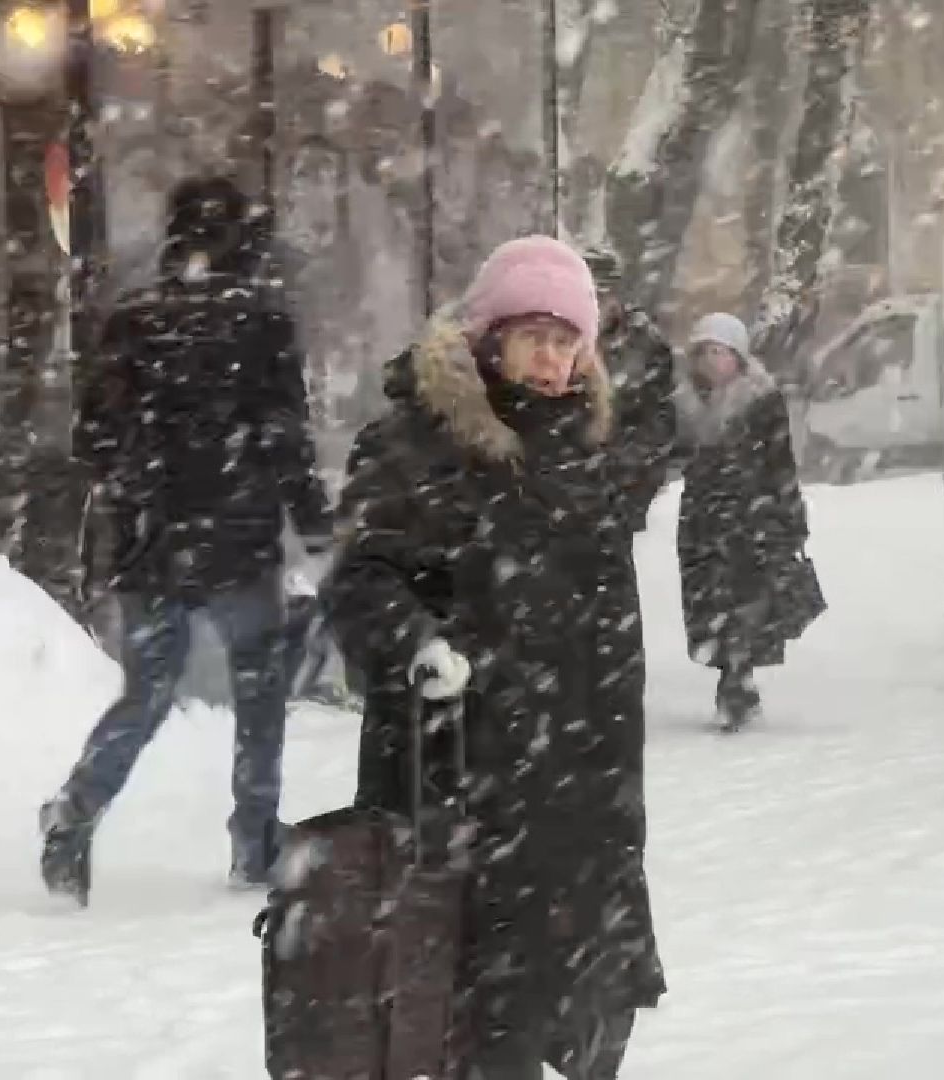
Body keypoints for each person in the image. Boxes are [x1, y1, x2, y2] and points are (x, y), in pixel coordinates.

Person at [320, 235, 664, 1078]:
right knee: (461, 1028)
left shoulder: (589, 455)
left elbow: (602, 635)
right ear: (490, 337)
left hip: (578, 799)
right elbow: (359, 580)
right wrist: (419, 646)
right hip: (457, 785)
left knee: (582, 1028)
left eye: (567, 339)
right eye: (535, 336)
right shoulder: (417, 447)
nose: (552, 359)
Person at [40, 176, 331, 903]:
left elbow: (94, 438)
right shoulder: (262, 324)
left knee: (146, 693)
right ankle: (255, 840)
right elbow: (285, 436)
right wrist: (315, 521)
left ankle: (77, 809)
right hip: (239, 536)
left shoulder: (131, 322)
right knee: (260, 694)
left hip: (153, 543)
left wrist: (141, 491)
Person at [675, 312, 823, 732]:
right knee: (708, 603)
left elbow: (780, 463)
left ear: (738, 356)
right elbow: (670, 454)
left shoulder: (762, 399)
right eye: (703, 352)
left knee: (744, 604)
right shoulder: (683, 404)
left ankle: (735, 682)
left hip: (750, 517)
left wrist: (791, 515)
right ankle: (733, 676)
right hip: (702, 519)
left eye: (718, 352)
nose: (710, 361)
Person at [585, 244, 677, 531]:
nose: (596, 304)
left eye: (602, 294)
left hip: (622, 485)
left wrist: (624, 470)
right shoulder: (559, 338)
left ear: (616, 296)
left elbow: (659, 420)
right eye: (587, 295)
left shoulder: (645, 343)